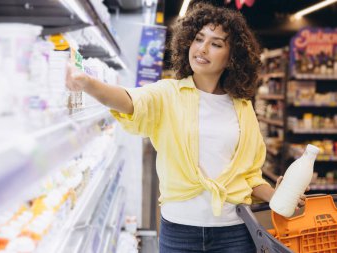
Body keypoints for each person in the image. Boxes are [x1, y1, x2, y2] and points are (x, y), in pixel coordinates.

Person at [66, 3, 307, 252]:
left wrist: (275, 195)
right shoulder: (168, 93)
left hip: (234, 232)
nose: (202, 49)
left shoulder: (242, 108)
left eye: (216, 44)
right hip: (179, 232)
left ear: (231, 57)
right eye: (198, 39)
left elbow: (249, 176)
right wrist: (88, 84)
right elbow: (129, 100)